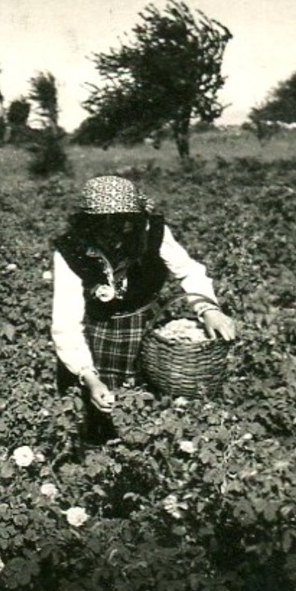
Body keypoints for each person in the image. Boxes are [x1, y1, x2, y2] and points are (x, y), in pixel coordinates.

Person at [50, 175, 238, 444]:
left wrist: (209, 308)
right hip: (99, 337)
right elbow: (66, 322)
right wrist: (89, 376)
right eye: (103, 224)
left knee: (154, 410)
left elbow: (188, 271)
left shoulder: (153, 233)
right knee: (100, 418)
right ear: (88, 223)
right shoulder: (71, 249)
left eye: (122, 223)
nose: (113, 232)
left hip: (148, 331)